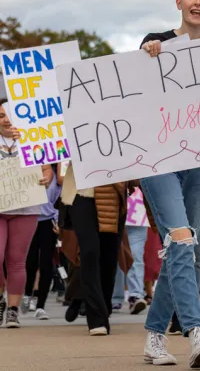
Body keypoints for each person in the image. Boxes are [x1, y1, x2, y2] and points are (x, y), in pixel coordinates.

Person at [139, 0, 200, 368]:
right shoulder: (155, 42)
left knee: (183, 249)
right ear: (179, 1)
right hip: (159, 162)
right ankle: (195, 331)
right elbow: (132, 93)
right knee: (183, 240)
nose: (198, 2)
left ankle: (155, 337)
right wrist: (146, 54)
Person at [60, 162, 136, 336]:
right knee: (89, 251)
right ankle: (96, 318)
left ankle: (103, 305)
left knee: (109, 257)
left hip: (113, 191)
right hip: (81, 192)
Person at [0, 100, 53, 328]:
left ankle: (12, 310)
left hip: (26, 208)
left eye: (9, 114)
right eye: (1, 115)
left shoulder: (33, 140)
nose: (6, 119)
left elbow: (48, 169)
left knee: (16, 261)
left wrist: (47, 176)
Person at [22, 163, 62, 320]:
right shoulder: (23, 169)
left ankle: (41, 306)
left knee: (46, 263)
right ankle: (27, 294)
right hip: (28, 220)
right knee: (29, 262)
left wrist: (59, 221)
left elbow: (59, 199)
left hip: (48, 222)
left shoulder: (56, 174)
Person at [112, 187, 149, 315]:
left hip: (138, 210)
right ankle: (114, 296)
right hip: (113, 205)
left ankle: (135, 295)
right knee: (114, 255)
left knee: (136, 256)